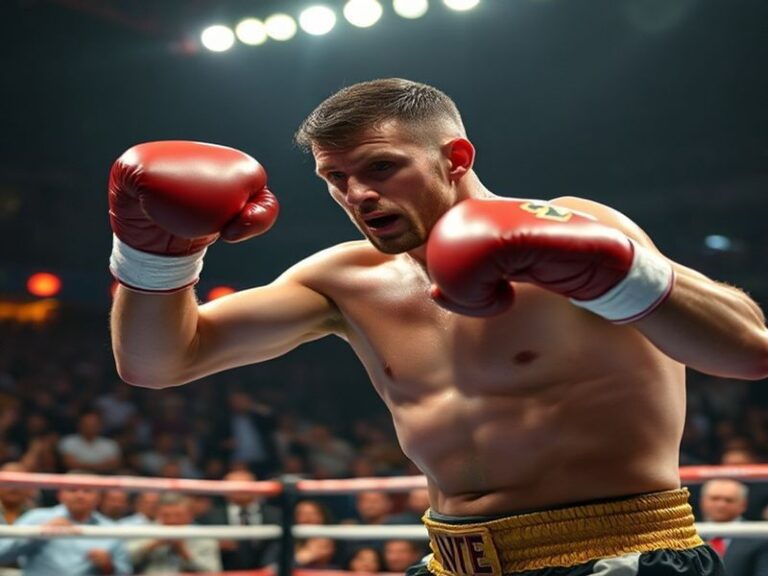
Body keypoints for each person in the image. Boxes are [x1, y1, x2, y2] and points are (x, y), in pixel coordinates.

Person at [109, 78, 768, 575]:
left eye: (380, 167)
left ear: (454, 155)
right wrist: (155, 252)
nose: (357, 195)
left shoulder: (568, 226)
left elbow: (748, 348)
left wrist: (620, 276)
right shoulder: (342, 279)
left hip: (618, 555)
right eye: (334, 178)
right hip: (449, 561)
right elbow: (159, 362)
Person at [0, 477, 131, 575]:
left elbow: (125, 571)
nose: (80, 495)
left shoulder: (111, 529)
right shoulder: (37, 517)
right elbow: (2, 554)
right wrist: (37, 533)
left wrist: (109, 566)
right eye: (72, 489)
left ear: (98, 497)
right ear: (60, 494)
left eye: (87, 490)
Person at [128, 492, 221, 574]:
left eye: (178, 515)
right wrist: (152, 545)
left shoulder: (204, 536)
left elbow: (213, 571)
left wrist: (184, 554)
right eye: (166, 515)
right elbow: (125, 559)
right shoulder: (147, 530)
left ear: (190, 516)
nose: (172, 520)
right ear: (158, 515)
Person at [699, 479, 768, 575]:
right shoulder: (686, 535)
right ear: (702, 501)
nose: (721, 505)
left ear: (743, 504)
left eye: (729, 500)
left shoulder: (759, 537)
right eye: (715, 498)